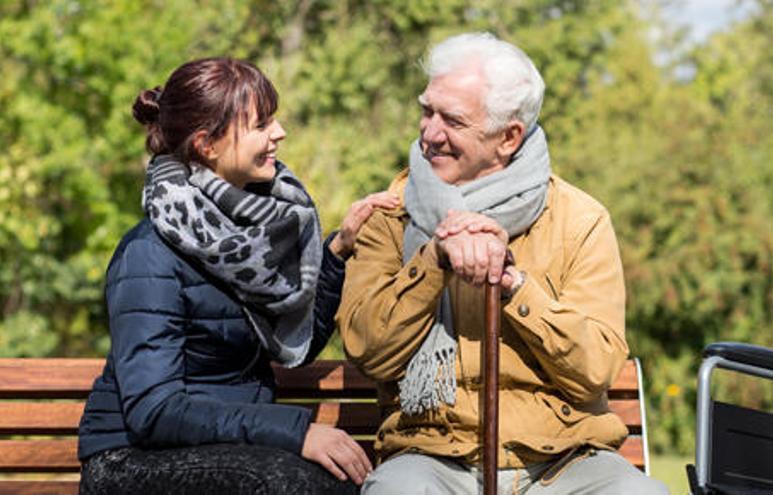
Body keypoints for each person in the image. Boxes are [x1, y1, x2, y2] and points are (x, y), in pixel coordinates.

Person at [337, 33, 668, 494]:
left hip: (564, 461)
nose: (430, 134)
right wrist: (434, 259)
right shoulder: (391, 216)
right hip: (432, 457)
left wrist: (513, 284)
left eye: (452, 120)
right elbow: (368, 349)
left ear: (508, 137)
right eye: (427, 110)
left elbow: (596, 368)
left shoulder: (580, 219)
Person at [77, 57, 398, 495]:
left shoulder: (253, 239)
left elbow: (294, 348)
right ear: (207, 144)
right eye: (261, 124)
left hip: (230, 443)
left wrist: (337, 251)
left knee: (337, 482)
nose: (279, 132)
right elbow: (154, 409)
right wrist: (297, 430)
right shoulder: (148, 255)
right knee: (289, 484)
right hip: (131, 460)